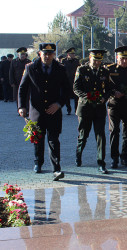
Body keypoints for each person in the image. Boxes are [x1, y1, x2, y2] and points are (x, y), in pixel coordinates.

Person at [18, 43, 69, 181]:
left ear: (53, 55)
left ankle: (56, 168)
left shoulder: (60, 69)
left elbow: (66, 90)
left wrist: (58, 104)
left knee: (54, 140)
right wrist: (22, 106)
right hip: (37, 111)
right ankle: (38, 162)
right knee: (38, 139)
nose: (47, 56)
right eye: (44, 53)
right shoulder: (30, 68)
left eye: (50, 54)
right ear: (39, 54)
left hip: (54, 111)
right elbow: (23, 89)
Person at [74, 49, 112, 174]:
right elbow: (76, 88)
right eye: (95, 60)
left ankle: (101, 163)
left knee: (100, 135)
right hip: (85, 107)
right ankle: (78, 155)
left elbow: (108, 89)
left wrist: (104, 98)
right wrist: (87, 97)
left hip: (99, 109)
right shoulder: (82, 70)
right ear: (90, 58)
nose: (97, 63)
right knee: (83, 135)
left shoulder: (105, 71)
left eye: (99, 61)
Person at [62, 47, 80, 115]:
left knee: (76, 96)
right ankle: (68, 109)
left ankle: (76, 109)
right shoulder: (64, 61)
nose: (73, 55)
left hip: (74, 81)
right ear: (68, 54)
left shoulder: (77, 61)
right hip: (66, 81)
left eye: (73, 54)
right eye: (71, 54)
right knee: (67, 97)